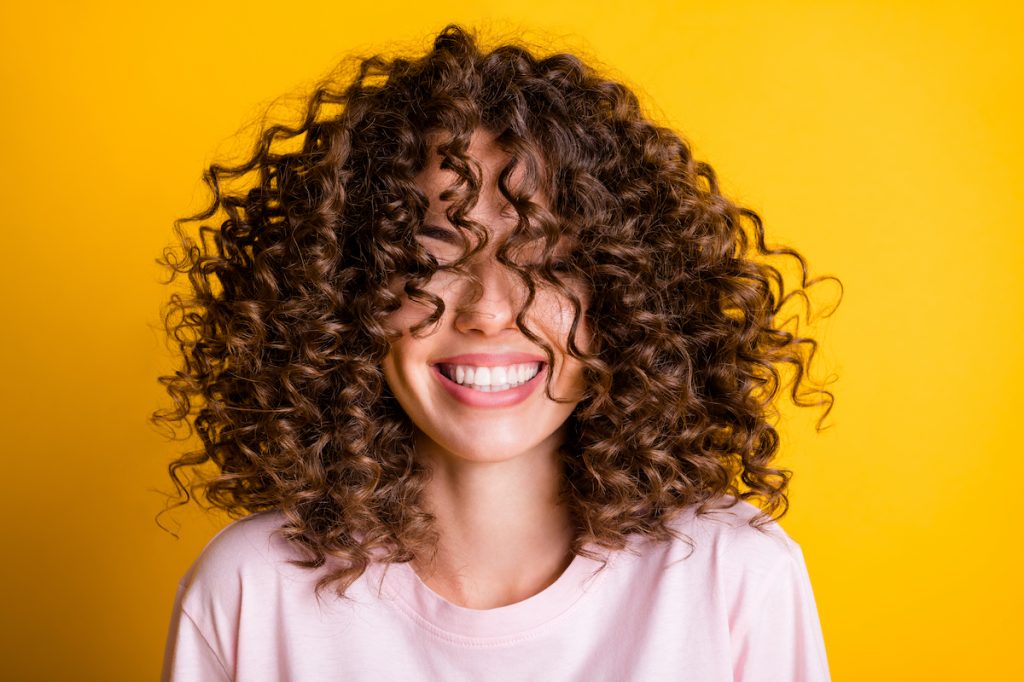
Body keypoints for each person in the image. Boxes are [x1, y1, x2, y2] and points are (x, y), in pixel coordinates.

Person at [155, 23, 840, 681]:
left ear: (624, 297)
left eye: (544, 260)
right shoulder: (250, 592)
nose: (488, 311)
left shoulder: (734, 579)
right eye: (433, 256)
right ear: (352, 293)